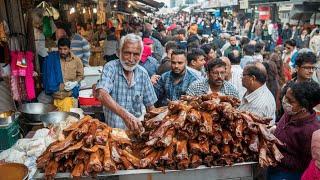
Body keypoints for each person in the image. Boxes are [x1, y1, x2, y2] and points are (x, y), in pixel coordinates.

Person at [94, 34, 157, 132]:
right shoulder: (111, 68)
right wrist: (125, 115)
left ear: (140, 56)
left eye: (136, 54)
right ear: (119, 53)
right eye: (127, 53)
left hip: (136, 133)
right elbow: (101, 94)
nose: (131, 59)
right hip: (113, 133)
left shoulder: (143, 73)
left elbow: (151, 107)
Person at [268, 81, 320, 180]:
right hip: (274, 167)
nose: (285, 101)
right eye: (285, 97)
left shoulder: (310, 130)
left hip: (288, 174)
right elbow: (283, 126)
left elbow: (303, 163)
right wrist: (275, 127)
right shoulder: (290, 113)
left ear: (304, 108)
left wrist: (275, 154)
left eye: (290, 101)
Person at [278, 50, 318, 120]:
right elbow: (281, 111)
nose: (311, 71)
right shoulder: (287, 86)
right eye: (307, 68)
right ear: (297, 68)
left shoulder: (315, 89)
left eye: (313, 68)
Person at [52, 38, 84, 111]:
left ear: (70, 49)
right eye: (60, 49)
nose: (62, 51)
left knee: (71, 118)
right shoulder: (54, 60)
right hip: (57, 94)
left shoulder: (76, 60)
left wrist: (74, 83)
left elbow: (80, 75)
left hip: (71, 94)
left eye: (65, 49)